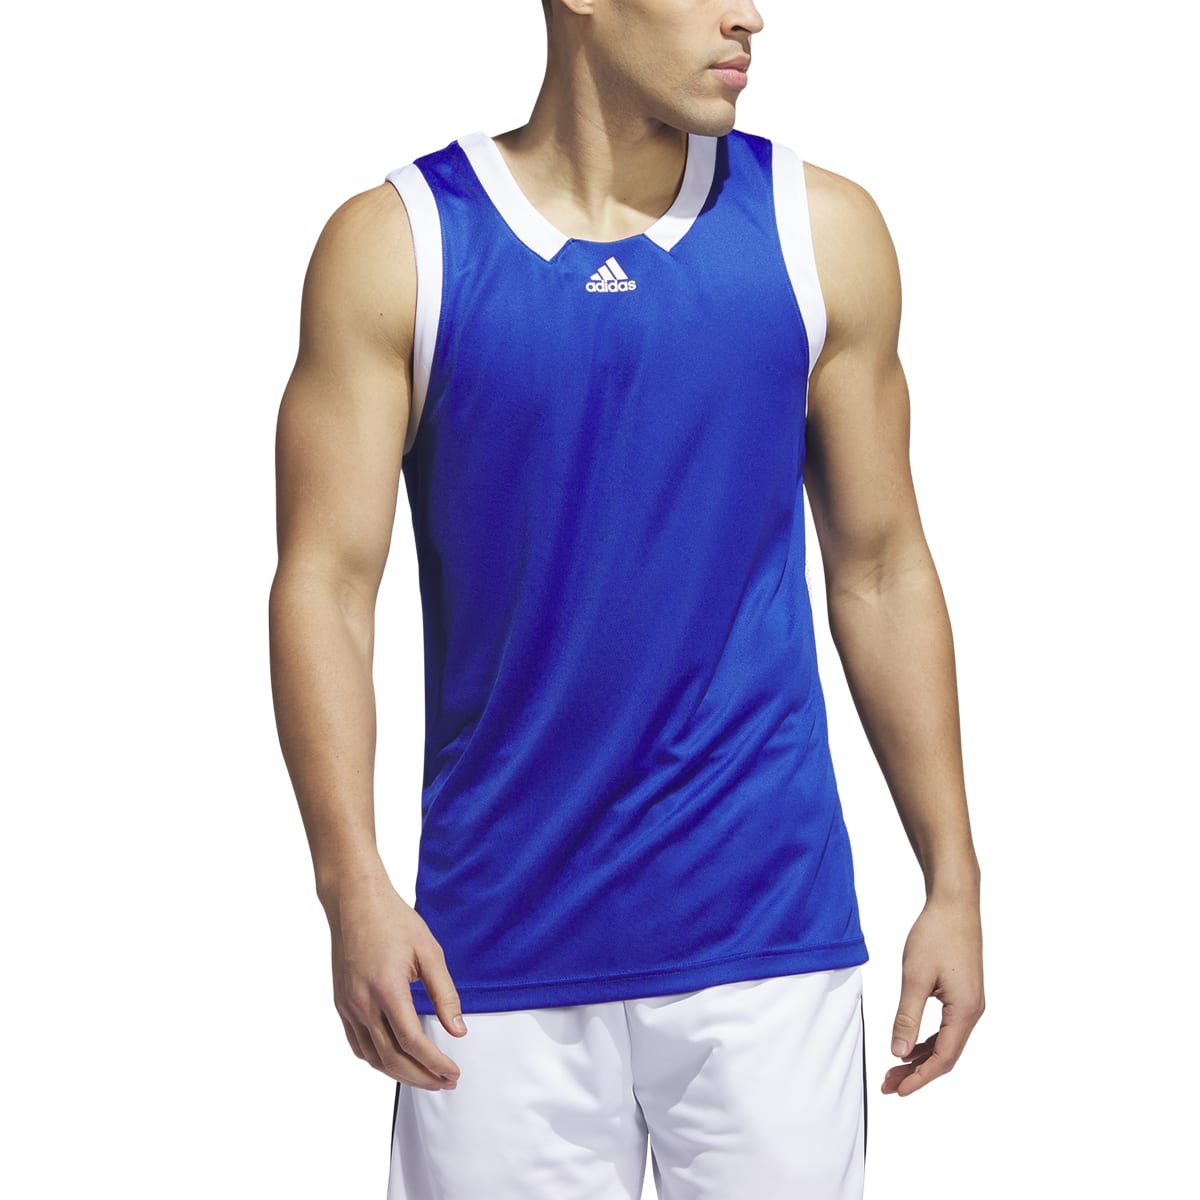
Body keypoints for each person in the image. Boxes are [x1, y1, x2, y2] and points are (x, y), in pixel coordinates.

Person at [269, 1, 984, 1196]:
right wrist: (351, 887)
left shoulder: (821, 232)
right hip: (488, 953)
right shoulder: (400, 246)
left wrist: (952, 878)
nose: (749, 16)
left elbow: (881, 566)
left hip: (766, 940)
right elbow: (326, 587)